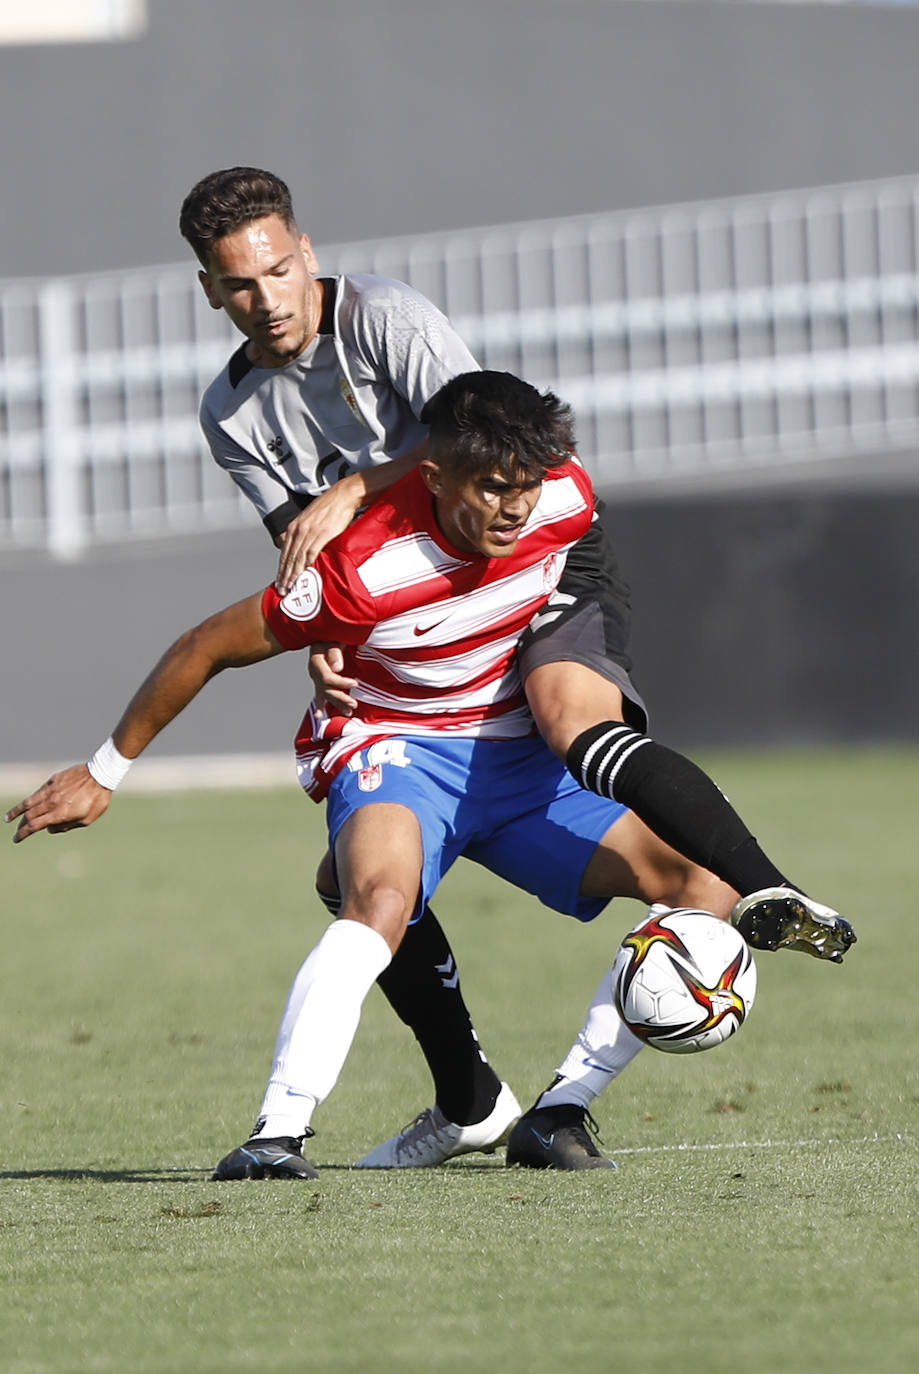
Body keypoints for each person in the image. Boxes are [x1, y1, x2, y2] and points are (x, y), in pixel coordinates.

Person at [6, 372, 855, 1177]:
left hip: (517, 752)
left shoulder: (562, 496)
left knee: (700, 884)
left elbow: (577, 559)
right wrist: (104, 769)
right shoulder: (360, 568)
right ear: (435, 473)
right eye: (491, 486)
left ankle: (559, 1110)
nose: (514, 507)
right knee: (374, 896)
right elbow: (206, 646)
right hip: (400, 745)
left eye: (528, 484)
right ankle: (277, 1132)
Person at [177, 168, 854, 1168]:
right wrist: (329, 640)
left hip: (519, 565)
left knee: (572, 723)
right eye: (238, 283)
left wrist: (358, 484)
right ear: (209, 290)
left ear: (304, 252)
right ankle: (467, 1100)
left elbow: (485, 447)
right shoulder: (228, 413)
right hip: (414, 614)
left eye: (277, 269)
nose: (265, 297)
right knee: (350, 884)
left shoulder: (391, 326)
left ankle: (584, 1082)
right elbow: (304, 558)